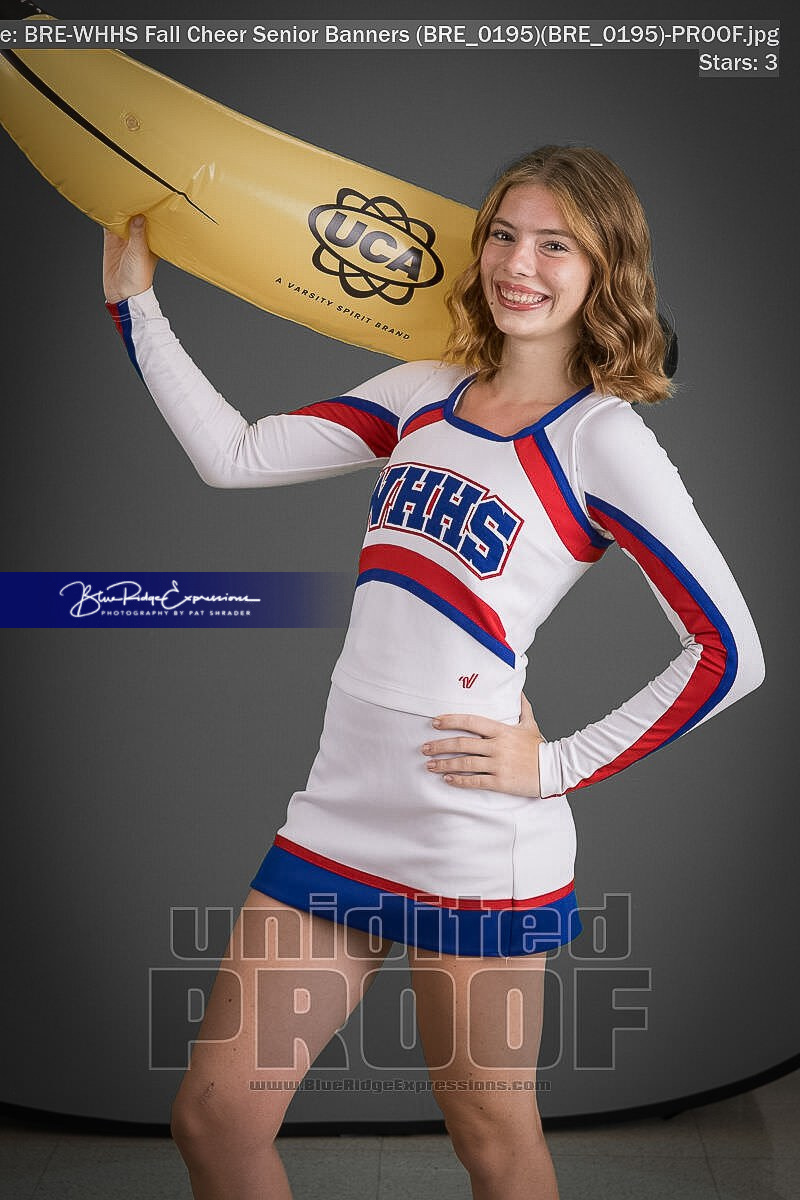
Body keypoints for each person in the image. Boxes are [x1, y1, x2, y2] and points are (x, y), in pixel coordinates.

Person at [102, 145, 764, 1200]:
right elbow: (235, 455)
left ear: (606, 269)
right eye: (503, 234)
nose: (518, 264)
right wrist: (135, 305)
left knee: (489, 1140)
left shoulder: (603, 441)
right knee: (217, 1118)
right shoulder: (424, 392)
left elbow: (729, 653)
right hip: (341, 809)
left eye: (555, 245)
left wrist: (553, 766)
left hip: (472, 835)